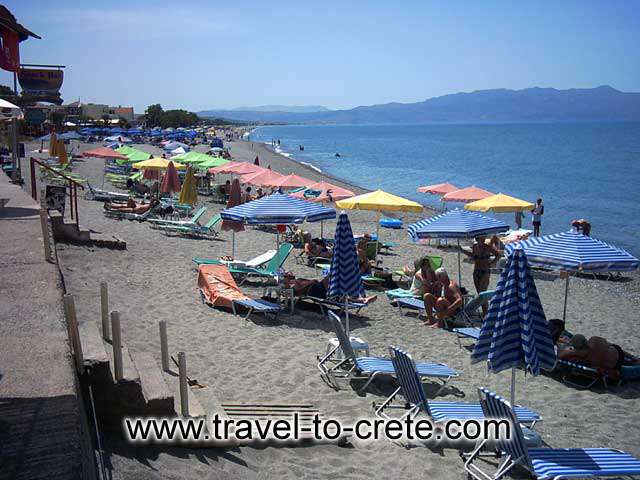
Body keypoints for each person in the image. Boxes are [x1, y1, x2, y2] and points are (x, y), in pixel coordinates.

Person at [459, 236, 500, 315]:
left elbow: (498, 255)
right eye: (481, 238)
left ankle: (486, 313)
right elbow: (473, 255)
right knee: (480, 294)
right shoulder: (475, 247)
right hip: (476, 270)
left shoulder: (487, 247)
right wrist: (462, 250)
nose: (483, 239)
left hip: (485, 271)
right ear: (478, 239)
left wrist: (491, 263)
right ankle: (485, 312)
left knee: (482, 293)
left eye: (483, 238)